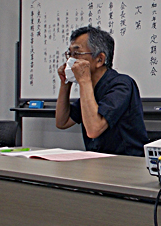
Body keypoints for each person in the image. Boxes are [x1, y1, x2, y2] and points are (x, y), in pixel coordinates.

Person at [55, 26, 148, 156]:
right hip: (97, 159)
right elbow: (62, 122)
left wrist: (84, 81)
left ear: (99, 59)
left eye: (76, 54)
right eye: (69, 54)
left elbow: (94, 129)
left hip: (126, 161)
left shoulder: (122, 85)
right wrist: (65, 83)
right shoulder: (92, 89)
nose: (70, 60)